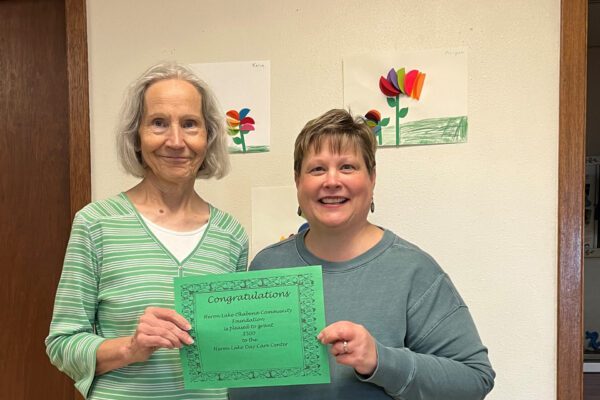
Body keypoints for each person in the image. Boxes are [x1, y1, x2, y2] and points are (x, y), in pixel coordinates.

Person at [229, 109, 495, 400]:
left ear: (372, 178)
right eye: (317, 169)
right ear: (298, 182)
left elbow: (474, 379)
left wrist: (380, 360)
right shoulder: (267, 266)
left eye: (347, 167)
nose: (331, 181)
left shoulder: (413, 270)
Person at [46, 62, 248, 399]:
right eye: (158, 123)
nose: (175, 140)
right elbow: (61, 343)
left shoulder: (231, 234)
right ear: (136, 137)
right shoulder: (95, 223)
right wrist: (131, 347)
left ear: (209, 137)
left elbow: (234, 345)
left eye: (190, 124)